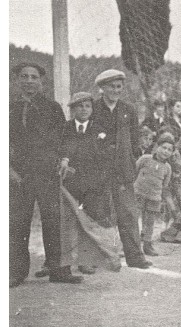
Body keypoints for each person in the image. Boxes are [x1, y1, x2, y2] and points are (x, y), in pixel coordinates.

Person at [9, 62, 84, 286]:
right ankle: (15, 272)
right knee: (18, 223)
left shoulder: (52, 108)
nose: (29, 80)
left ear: (41, 82)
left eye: (34, 77)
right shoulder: (9, 108)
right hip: (19, 175)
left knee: (54, 221)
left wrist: (64, 159)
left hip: (48, 172)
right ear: (17, 80)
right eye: (25, 76)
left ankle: (59, 270)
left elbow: (65, 139)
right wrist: (9, 169)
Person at [90, 69, 152, 269]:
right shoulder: (93, 109)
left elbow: (134, 140)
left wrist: (131, 160)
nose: (116, 90)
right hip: (99, 170)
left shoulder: (128, 109)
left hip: (123, 170)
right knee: (99, 213)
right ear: (102, 88)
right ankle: (99, 257)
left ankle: (135, 256)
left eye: (119, 87)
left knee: (128, 213)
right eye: (111, 87)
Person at [59, 91, 116, 275]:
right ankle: (65, 260)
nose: (84, 109)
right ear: (72, 109)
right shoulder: (65, 128)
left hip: (92, 183)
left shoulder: (99, 129)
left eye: (87, 106)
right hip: (70, 183)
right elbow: (61, 150)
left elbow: (106, 156)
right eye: (79, 106)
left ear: (92, 109)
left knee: (88, 220)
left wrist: (100, 178)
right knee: (69, 222)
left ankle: (86, 260)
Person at [134, 133, 174, 256]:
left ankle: (147, 245)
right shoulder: (145, 159)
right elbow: (135, 172)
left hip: (154, 198)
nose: (165, 151)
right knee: (134, 219)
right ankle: (132, 245)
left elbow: (165, 185)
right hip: (138, 194)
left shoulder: (167, 168)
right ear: (157, 147)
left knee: (150, 222)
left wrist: (165, 200)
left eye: (169, 150)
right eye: (163, 147)